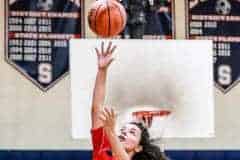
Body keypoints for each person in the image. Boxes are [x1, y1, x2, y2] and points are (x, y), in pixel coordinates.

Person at [91, 42, 170, 160]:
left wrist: (111, 132)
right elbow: (96, 108)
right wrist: (102, 71)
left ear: (138, 148)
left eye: (132, 132)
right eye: (123, 130)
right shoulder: (102, 150)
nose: (123, 133)